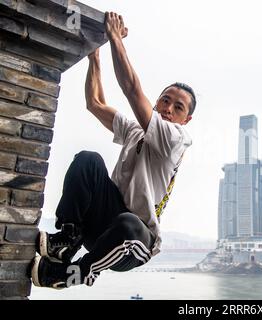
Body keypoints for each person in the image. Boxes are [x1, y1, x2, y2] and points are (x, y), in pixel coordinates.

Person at [31, 12, 195, 289]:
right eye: (164, 100)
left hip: (134, 242)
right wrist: (94, 57)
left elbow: (131, 89)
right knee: (88, 160)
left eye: (177, 107)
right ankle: (66, 239)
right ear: (156, 103)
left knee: (128, 224)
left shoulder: (176, 139)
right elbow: (95, 103)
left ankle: (68, 274)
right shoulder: (135, 130)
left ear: (185, 119)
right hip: (103, 223)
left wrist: (114, 37)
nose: (168, 108)